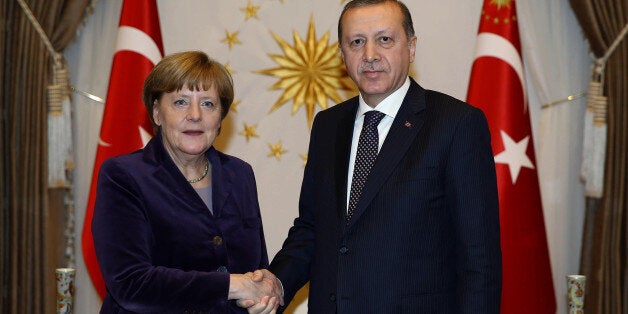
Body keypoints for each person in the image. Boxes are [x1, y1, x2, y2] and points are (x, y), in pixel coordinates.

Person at [251, 1, 503, 313]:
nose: (369, 55)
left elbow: (479, 260)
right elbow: (313, 229)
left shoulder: (456, 124)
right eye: (356, 42)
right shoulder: (328, 125)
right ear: (342, 54)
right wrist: (277, 282)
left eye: (385, 39)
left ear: (411, 47)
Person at [92, 51, 281, 313]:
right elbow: (130, 283)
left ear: (220, 118)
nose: (195, 115)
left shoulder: (240, 174)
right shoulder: (124, 175)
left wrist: (263, 298)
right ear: (157, 113)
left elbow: (256, 268)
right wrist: (231, 285)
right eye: (181, 102)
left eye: (207, 104)